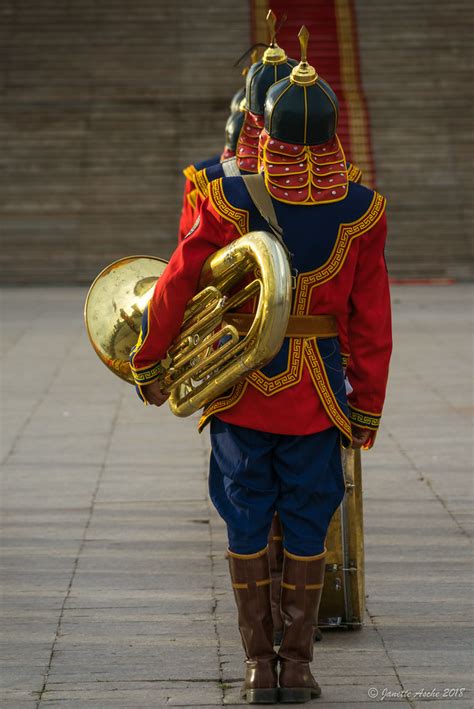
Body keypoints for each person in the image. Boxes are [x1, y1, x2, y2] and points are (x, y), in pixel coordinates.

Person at [130, 27, 392, 705]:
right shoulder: (361, 210)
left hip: (241, 384)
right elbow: (371, 321)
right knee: (308, 516)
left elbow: (179, 285)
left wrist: (151, 356)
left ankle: (257, 666)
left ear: (264, 122)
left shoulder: (227, 196)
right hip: (318, 390)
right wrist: (366, 403)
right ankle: (298, 665)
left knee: (246, 513)